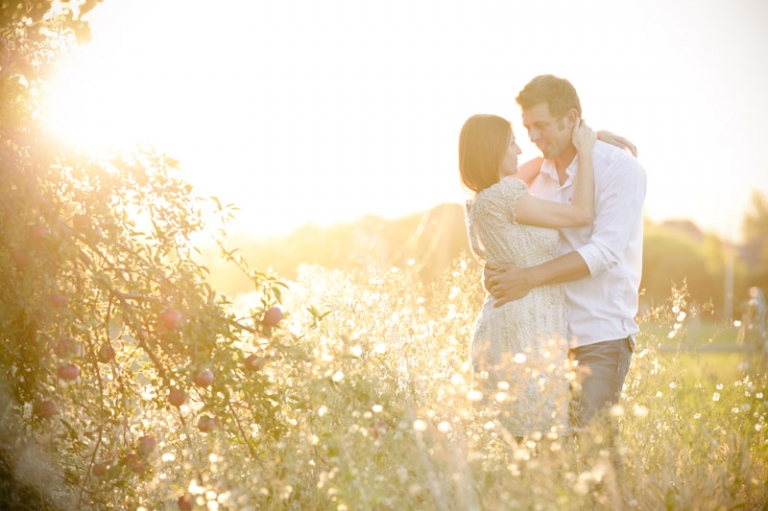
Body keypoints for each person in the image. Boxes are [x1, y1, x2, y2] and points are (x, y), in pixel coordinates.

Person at [486, 75, 647, 454]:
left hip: (599, 335)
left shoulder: (620, 170)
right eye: (527, 128)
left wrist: (527, 278)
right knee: (550, 465)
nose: (533, 137)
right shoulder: (531, 176)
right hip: (541, 337)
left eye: (541, 126)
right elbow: (491, 202)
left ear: (570, 119)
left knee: (594, 459)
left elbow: (604, 252)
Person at [460, 113, 597, 438]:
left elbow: (532, 165)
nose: (520, 150)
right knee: (538, 441)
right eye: (512, 143)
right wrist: (587, 151)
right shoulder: (506, 197)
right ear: (493, 150)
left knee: (521, 444)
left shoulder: (485, 198)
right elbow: (581, 214)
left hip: (518, 319)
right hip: (523, 326)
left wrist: (569, 142)